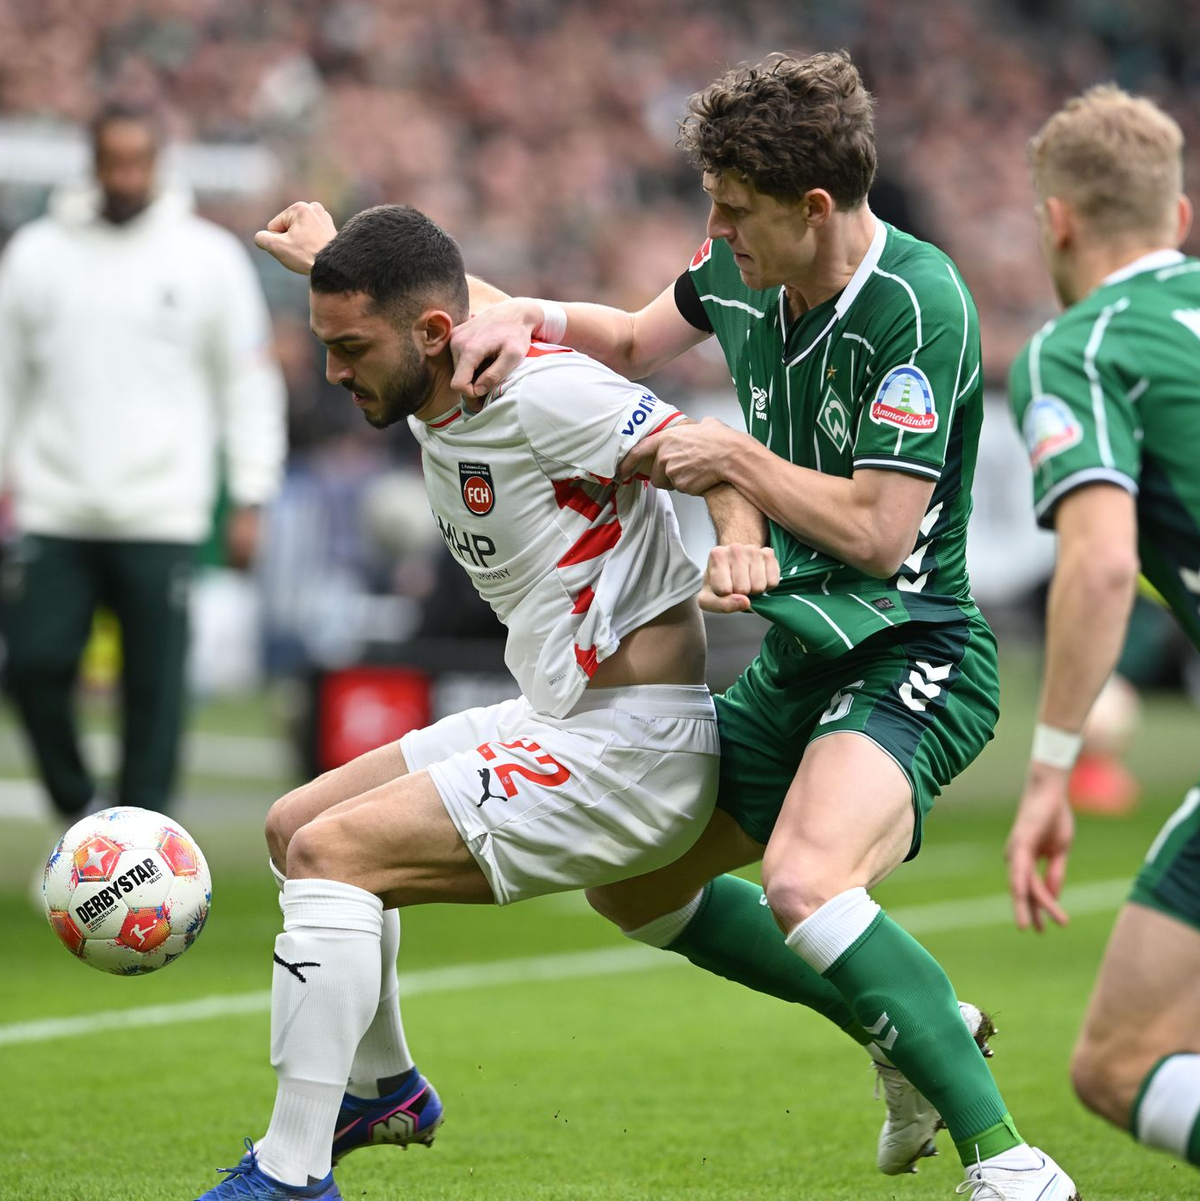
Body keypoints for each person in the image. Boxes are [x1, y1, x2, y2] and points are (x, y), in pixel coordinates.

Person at [447, 51, 1076, 1199]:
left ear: (814, 207)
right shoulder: (739, 265)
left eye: (734, 212)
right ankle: (913, 1029)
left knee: (805, 879)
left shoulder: (918, 304)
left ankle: (1012, 1163)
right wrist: (522, 317)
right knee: (630, 881)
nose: (715, 228)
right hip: (801, 655)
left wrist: (733, 455)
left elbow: (881, 533)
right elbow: (634, 341)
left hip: (911, 648)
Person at [192, 202, 722, 1199]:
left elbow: (700, 451)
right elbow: (426, 283)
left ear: (429, 336)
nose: (335, 372)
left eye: (350, 348)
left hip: (631, 749)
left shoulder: (545, 391)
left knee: (328, 858)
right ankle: (382, 1086)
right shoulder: (439, 353)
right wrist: (334, 248)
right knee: (293, 825)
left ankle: (291, 1171)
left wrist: (740, 539)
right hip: (557, 715)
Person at [1006, 84, 1200, 1169]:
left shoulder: (1079, 347)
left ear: (1059, 221)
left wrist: (1050, 770)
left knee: (1119, 1061)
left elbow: (1102, 562)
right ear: (1178, 220)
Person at [0, 101, 286, 822]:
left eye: (138, 160)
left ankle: (145, 845)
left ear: (159, 163)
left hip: (164, 507)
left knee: (153, 693)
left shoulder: (207, 258)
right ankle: (81, 815)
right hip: (56, 503)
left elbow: (246, 384)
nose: (125, 175)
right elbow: (7, 379)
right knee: (32, 664)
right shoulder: (36, 253)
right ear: (91, 163)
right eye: (112, 160)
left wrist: (252, 492)